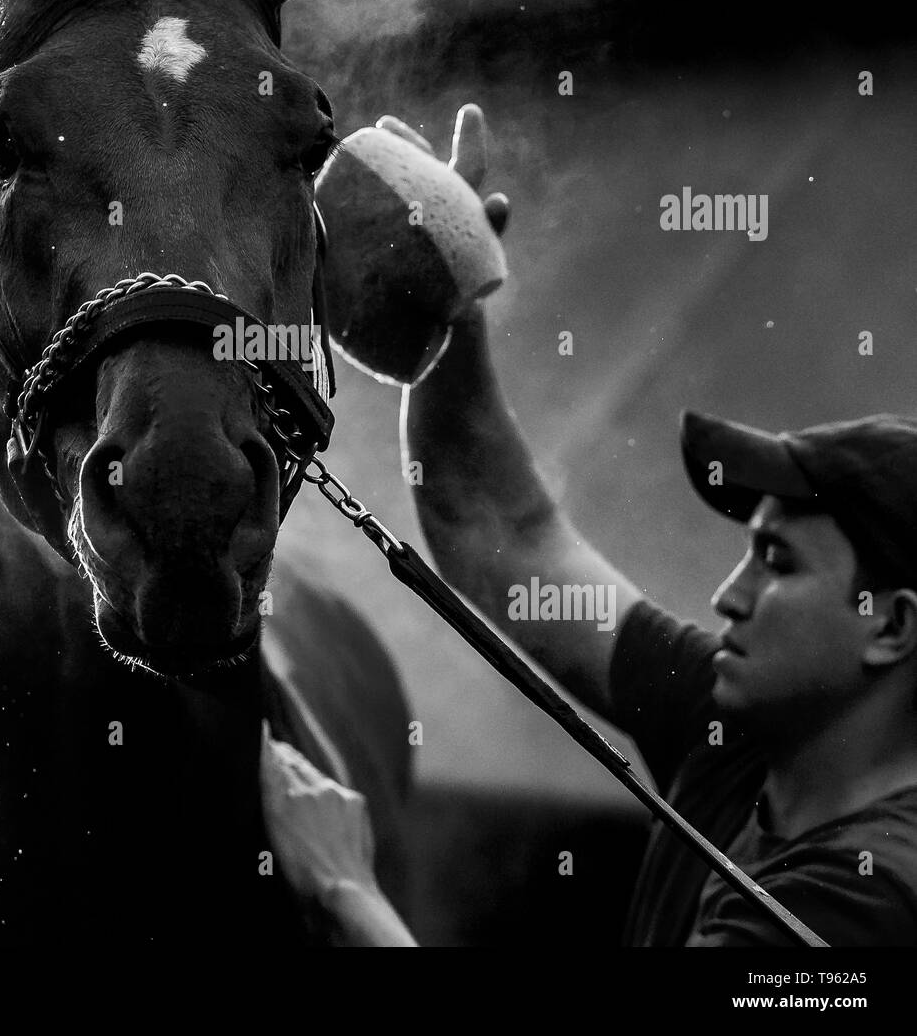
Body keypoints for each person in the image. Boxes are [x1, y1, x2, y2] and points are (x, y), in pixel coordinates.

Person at [261, 109, 917, 947]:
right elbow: (501, 526)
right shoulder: (735, 731)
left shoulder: (865, 895)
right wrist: (450, 306)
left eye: (777, 561)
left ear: (892, 625)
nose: (728, 592)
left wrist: (347, 893)